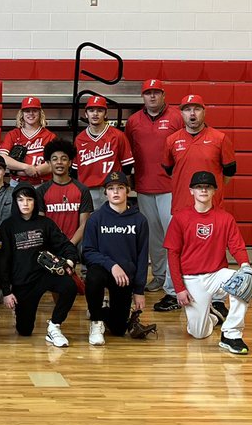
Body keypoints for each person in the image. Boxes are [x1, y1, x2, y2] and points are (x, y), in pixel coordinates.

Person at [157, 94, 238, 312]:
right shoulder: (172, 140)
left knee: (216, 251)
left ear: (204, 111)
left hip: (211, 208)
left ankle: (218, 299)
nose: (192, 114)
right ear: (181, 113)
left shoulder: (220, 138)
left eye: (197, 109)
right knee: (174, 250)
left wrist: (213, 193)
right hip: (181, 206)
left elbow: (229, 171)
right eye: (187, 109)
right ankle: (173, 292)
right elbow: (168, 169)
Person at [164, 171, 252, 355]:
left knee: (245, 281)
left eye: (208, 187)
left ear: (214, 191)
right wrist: (179, 288)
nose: (203, 190)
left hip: (217, 274)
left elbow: (237, 247)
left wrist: (245, 266)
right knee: (198, 333)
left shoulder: (225, 218)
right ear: (191, 191)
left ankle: (231, 334)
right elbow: (172, 255)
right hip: (191, 279)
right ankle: (212, 316)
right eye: (199, 187)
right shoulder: (180, 218)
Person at [0, 184, 82, 347]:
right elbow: (3, 261)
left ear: (35, 202)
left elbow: (65, 245)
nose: (25, 204)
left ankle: (54, 325)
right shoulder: (7, 226)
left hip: (45, 275)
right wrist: (6, 291)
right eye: (21, 200)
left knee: (69, 286)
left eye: (29, 199)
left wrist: (69, 261)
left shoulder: (45, 223)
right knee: (25, 330)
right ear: (15, 202)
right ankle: (20, 314)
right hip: (23, 281)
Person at [124, 79, 183, 298]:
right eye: (148, 93)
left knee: (172, 235)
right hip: (144, 186)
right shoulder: (133, 121)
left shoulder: (177, 116)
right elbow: (129, 153)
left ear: (163, 95)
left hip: (171, 186)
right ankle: (159, 276)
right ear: (143, 97)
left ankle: (174, 278)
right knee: (154, 237)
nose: (152, 97)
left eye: (156, 93)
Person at [80, 171, 149, 346]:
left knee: (118, 329)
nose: (115, 192)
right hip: (103, 270)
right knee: (93, 277)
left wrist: (139, 291)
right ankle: (96, 321)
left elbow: (142, 256)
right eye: (111, 188)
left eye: (120, 188)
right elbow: (87, 252)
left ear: (128, 190)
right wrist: (112, 265)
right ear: (106, 192)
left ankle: (99, 308)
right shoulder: (96, 218)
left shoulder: (139, 220)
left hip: (125, 278)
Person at [75, 95, 135, 209]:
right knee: (90, 225)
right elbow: (75, 169)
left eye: (100, 110)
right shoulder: (79, 139)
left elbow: (127, 165)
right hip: (87, 189)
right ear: (86, 114)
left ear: (106, 114)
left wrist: (126, 187)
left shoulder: (118, 136)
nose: (95, 114)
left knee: (113, 224)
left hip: (112, 188)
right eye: (91, 110)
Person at [38, 138, 94, 250]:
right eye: (55, 159)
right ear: (49, 163)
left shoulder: (82, 189)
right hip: (50, 245)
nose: (59, 162)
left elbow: (84, 225)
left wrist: (69, 245)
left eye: (64, 159)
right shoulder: (41, 191)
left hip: (75, 245)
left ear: (70, 163)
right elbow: (40, 225)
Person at [0, 97, 56, 185]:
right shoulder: (13, 134)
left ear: (40, 113)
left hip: (42, 184)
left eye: (34, 110)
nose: (31, 114)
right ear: (22, 114)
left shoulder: (50, 136)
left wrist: (30, 171)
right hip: (17, 183)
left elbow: (53, 163)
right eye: (27, 111)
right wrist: (26, 167)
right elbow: (2, 157)